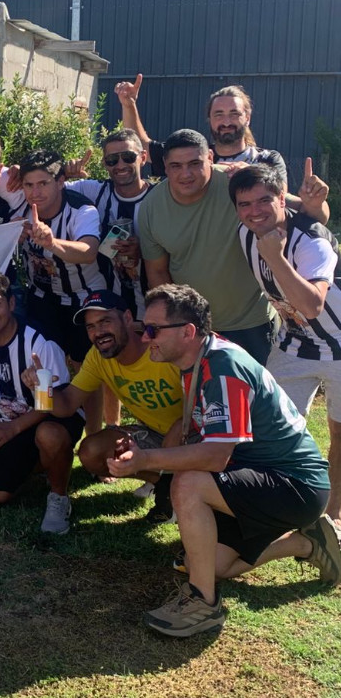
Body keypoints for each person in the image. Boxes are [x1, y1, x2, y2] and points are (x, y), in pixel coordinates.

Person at [107, 284, 340, 637]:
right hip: (263, 476)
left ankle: (203, 604)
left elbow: (216, 456)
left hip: (296, 486)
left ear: (187, 332)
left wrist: (146, 459)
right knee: (204, 563)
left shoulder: (222, 366)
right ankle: (308, 542)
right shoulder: (200, 359)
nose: (145, 337)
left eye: (153, 329)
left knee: (189, 483)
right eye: (144, 328)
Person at [138, 129, 329, 365]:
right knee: (203, 387)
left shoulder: (236, 181)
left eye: (195, 163)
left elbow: (311, 215)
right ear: (165, 168)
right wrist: (175, 324)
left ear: (210, 157)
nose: (186, 174)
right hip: (194, 327)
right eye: (176, 166)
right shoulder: (151, 207)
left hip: (252, 322)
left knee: (256, 387)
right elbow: (157, 272)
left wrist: (316, 203)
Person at [231, 162, 341, 523]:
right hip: (293, 342)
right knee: (271, 424)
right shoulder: (245, 233)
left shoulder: (312, 240)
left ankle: (332, 517)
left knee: (339, 432)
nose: (254, 211)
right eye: (245, 204)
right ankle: (282, 502)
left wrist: (275, 257)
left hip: (339, 345)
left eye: (264, 200)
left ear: (282, 199)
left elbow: (312, 305)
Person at [22, 289, 183, 521]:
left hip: (195, 431)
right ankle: (164, 482)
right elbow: (67, 404)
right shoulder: (98, 357)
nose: (98, 332)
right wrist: (41, 388)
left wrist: (179, 431)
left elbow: (202, 402)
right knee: (91, 452)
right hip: (154, 433)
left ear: (127, 318)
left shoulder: (159, 346)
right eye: (91, 326)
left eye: (105, 321)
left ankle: (181, 487)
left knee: (176, 436)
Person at [0, 270, 82, 533]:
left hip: (53, 415)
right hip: (12, 423)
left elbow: (56, 404)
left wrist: (12, 428)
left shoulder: (38, 341)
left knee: (49, 435)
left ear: (11, 303)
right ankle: (41, 463)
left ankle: (59, 497)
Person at [17, 150, 105, 367]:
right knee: (42, 365)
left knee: (87, 367)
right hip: (42, 296)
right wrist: (9, 236)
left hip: (83, 297)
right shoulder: (18, 204)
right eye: (29, 185)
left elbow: (88, 252)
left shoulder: (82, 210)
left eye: (43, 184)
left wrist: (51, 243)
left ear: (60, 182)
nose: (35, 193)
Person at [115, 75, 288, 184]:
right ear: (209, 119)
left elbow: (281, 197)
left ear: (247, 118)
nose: (226, 122)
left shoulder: (267, 159)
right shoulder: (194, 156)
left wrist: (251, 175)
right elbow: (142, 146)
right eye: (219, 114)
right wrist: (129, 105)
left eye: (234, 114)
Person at [64, 129, 153, 319]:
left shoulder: (160, 198)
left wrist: (145, 250)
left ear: (143, 158)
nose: (120, 165)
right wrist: (64, 173)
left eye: (128, 157)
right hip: (110, 307)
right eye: (112, 160)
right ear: (105, 163)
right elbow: (45, 188)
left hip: (151, 305)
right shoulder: (95, 191)